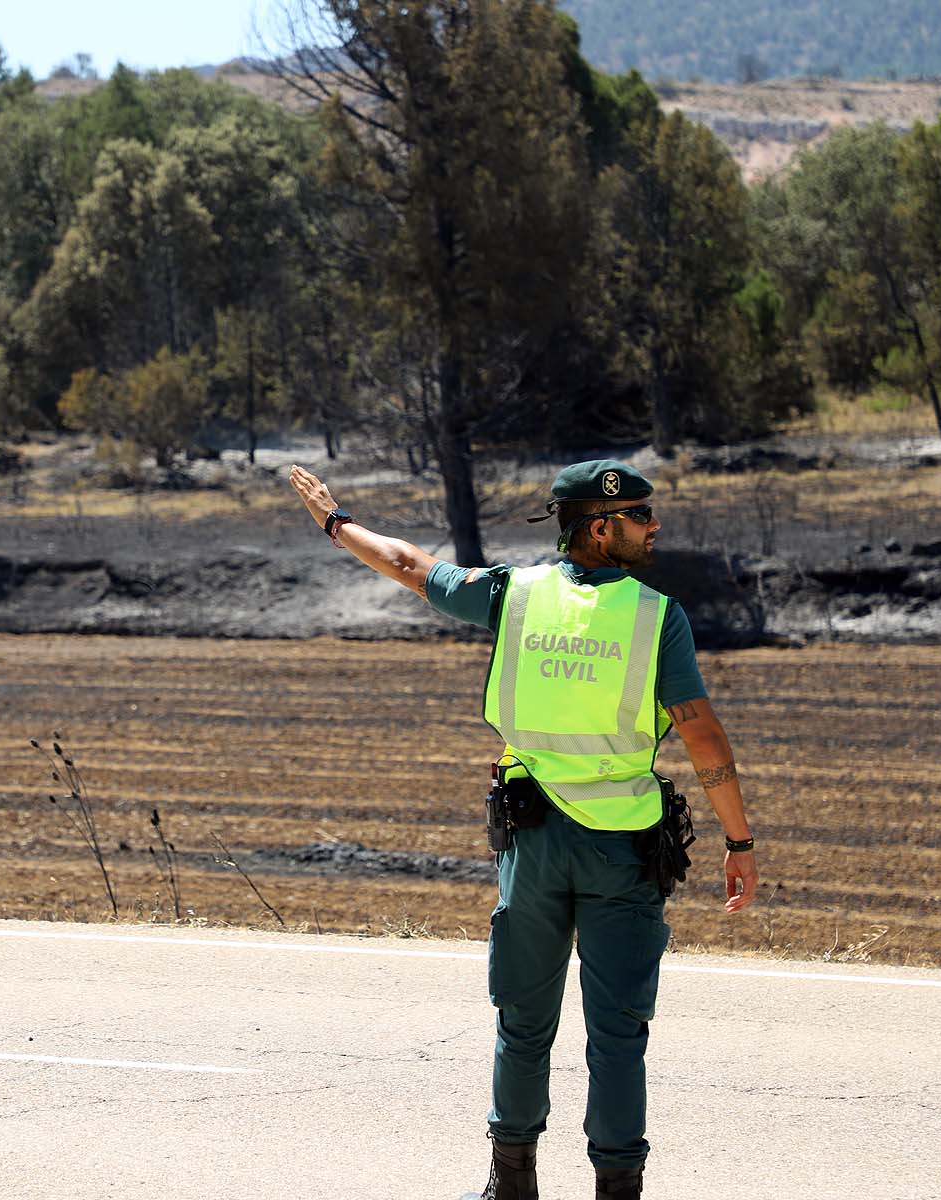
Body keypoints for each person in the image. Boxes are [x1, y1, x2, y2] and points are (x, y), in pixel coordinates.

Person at [287, 459, 758, 1200]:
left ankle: (510, 1185)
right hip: (622, 854)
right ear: (600, 528)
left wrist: (334, 522)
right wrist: (739, 843)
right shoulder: (656, 616)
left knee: (522, 1022)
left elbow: (411, 565)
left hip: (533, 849)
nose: (654, 526)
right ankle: (617, 1188)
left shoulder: (513, 594)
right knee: (618, 1037)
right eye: (641, 515)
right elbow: (701, 737)